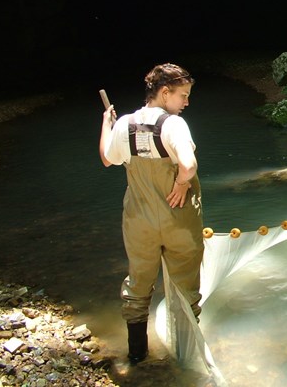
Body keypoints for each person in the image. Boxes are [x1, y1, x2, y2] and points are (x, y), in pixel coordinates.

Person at [99, 63, 204, 364]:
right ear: (164, 92)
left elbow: (108, 159)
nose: (186, 102)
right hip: (179, 219)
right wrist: (182, 185)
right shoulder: (173, 124)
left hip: (139, 221)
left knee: (138, 284)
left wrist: (107, 123)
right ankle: (187, 362)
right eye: (183, 96)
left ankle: (137, 356)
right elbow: (188, 165)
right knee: (186, 288)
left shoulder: (124, 124)